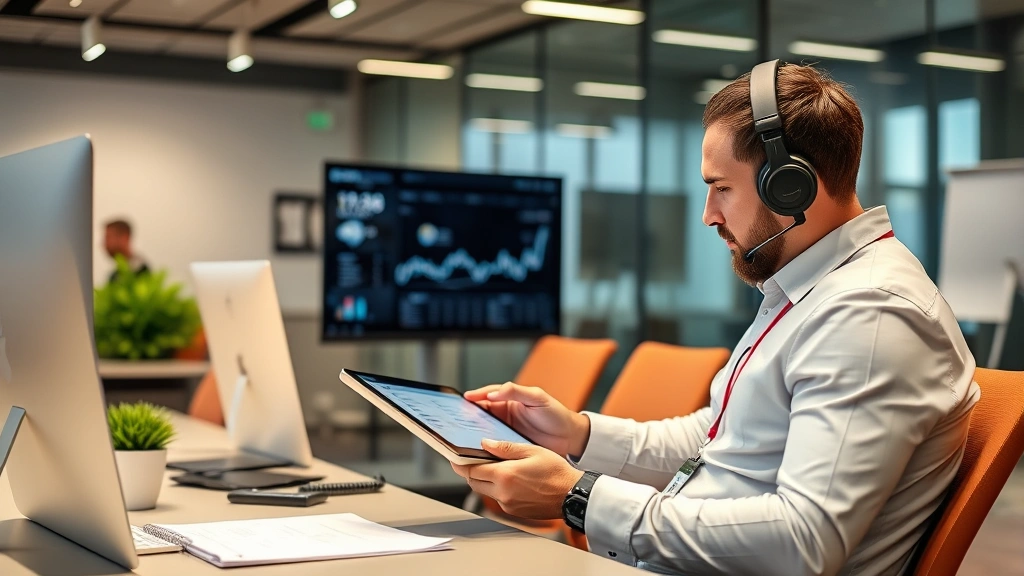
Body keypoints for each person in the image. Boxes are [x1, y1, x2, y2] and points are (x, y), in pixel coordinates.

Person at [450, 61, 980, 575]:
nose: (708, 215)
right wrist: (577, 434)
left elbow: (803, 543)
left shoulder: (870, 314)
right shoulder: (813, 289)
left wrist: (578, 496)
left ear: (790, 185)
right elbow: (723, 439)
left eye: (722, 187)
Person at [103, 218, 149, 283]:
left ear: (125, 237)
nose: (104, 244)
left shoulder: (141, 271)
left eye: (108, 237)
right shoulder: (115, 275)